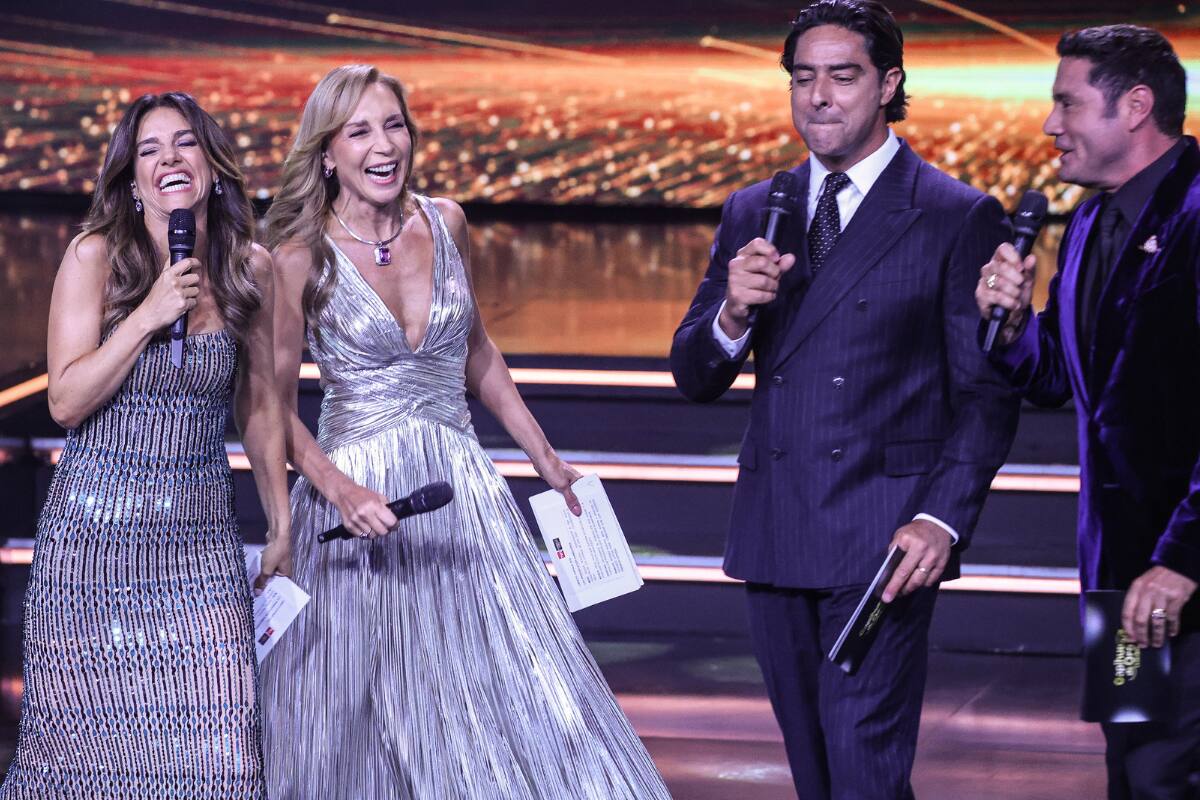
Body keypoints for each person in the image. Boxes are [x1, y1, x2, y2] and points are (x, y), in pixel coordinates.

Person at [257, 64, 670, 799]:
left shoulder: (445, 222)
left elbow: (476, 350)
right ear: (326, 153)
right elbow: (268, 402)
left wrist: (545, 458)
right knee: (370, 718)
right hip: (362, 509)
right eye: (359, 131)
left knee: (514, 689)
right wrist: (338, 486)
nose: (384, 146)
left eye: (395, 126)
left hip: (462, 495)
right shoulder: (299, 257)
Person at [671, 1, 1020, 796]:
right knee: (817, 771)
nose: (818, 97)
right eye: (802, 78)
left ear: (888, 83)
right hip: (778, 527)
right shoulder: (756, 209)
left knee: (863, 761)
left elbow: (985, 392)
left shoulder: (952, 213)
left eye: (842, 76)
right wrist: (731, 313)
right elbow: (694, 375)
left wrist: (942, 518)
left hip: (882, 538)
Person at [0, 92, 291, 799]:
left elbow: (259, 405)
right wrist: (147, 316)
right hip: (93, 551)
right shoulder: (94, 257)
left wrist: (281, 522)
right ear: (131, 182)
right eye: (150, 149)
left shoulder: (252, 267)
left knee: (223, 759)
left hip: (200, 550)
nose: (169, 159)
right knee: (86, 771)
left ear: (211, 165)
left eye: (184, 143)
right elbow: (66, 401)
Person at [977, 24, 1200, 798]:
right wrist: (1011, 330)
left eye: (1067, 103)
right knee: (1132, 769)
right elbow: (1063, 381)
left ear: (1136, 106)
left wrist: (1185, 558)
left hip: (1183, 581)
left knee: (1174, 772)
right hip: (1117, 579)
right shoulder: (1088, 223)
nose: (1049, 124)